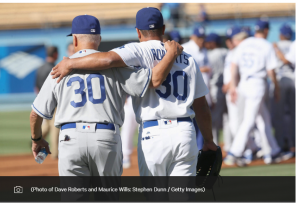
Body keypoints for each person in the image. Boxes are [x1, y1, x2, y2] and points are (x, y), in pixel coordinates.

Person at [51, 7, 217, 176]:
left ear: (138, 32)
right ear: (163, 29)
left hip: (154, 133)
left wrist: (71, 63)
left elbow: (106, 59)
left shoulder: (137, 50)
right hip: (185, 131)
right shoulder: (187, 57)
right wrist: (209, 140)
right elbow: (201, 106)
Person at [30, 14, 182, 178]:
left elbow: (35, 114)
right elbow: (153, 80)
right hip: (106, 138)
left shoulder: (60, 68)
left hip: (70, 139)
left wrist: (37, 138)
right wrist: (170, 55)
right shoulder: (116, 66)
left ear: (74, 40)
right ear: (99, 39)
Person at [226, 19, 287, 165]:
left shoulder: (245, 43)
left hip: (244, 84)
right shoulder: (266, 45)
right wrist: (276, 88)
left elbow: (234, 66)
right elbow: (271, 71)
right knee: (249, 119)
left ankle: (273, 151)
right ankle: (234, 152)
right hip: (257, 84)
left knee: (263, 119)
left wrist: (234, 86)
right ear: (266, 31)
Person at [182, 26, 211, 150]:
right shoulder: (185, 48)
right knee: (192, 121)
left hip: (202, 90)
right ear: (192, 37)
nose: (201, 40)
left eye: (203, 37)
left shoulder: (203, 50)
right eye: (199, 37)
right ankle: (193, 148)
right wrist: (202, 69)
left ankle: (200, 148)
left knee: (201, 120)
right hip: (189, 91)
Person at [272, 25, 295, 156]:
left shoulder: (276, 45)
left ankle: (280, 145)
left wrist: (275, 48)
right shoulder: (293, 44)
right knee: (293, 116)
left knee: (278, 116)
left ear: (281, 34)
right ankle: (293, 145)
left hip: (280, 80)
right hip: (293, 80)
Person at [34, 46, 59, 159]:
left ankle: (35, 141)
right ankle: (55, 153)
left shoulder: (40, 68)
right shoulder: (55, 68)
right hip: (53, 102)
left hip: (41, 101)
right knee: (55, 127)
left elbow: (36, 88)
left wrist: (41, 99)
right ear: (55, 54)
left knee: (47, 126)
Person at [205, 32, 228, 144]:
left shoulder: (210, 55)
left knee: (213, 120)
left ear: (213, 43)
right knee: (228, 119)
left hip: (215, 88)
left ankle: (214, 144)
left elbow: (208, 72)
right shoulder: (226, 52)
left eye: (208, 42)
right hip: (227, 87)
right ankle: (229, 145)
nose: (206, 44)